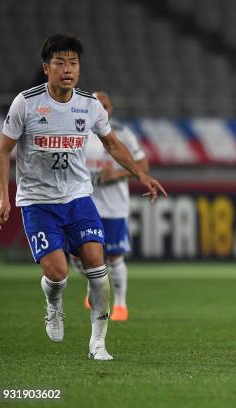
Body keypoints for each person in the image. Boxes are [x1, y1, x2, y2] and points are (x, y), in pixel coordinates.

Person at [0, 34, 167, 360]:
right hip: (38, 200)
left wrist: (140, 174)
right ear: (47, 68)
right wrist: (4, 199)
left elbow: (113, 144)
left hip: (78, 196)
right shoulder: (26, 103)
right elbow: (3, 152)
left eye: (73, 62)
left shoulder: (88, 105)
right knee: (57, 273)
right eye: (60, 62)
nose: (68, 69)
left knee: (97, 267)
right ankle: (54, 301)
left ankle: (98, 344)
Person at [72, 91, 148, 321]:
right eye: (97, 104)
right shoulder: (78, 131)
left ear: (111, 108)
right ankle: (92, 289)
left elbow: (142, 164)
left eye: (105, 105)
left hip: (114, 205)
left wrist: (114, 174)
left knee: (114, 257)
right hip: (84, 203)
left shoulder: (122, 133)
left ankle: (121, 306)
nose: (102, 109)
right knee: (78, 257)